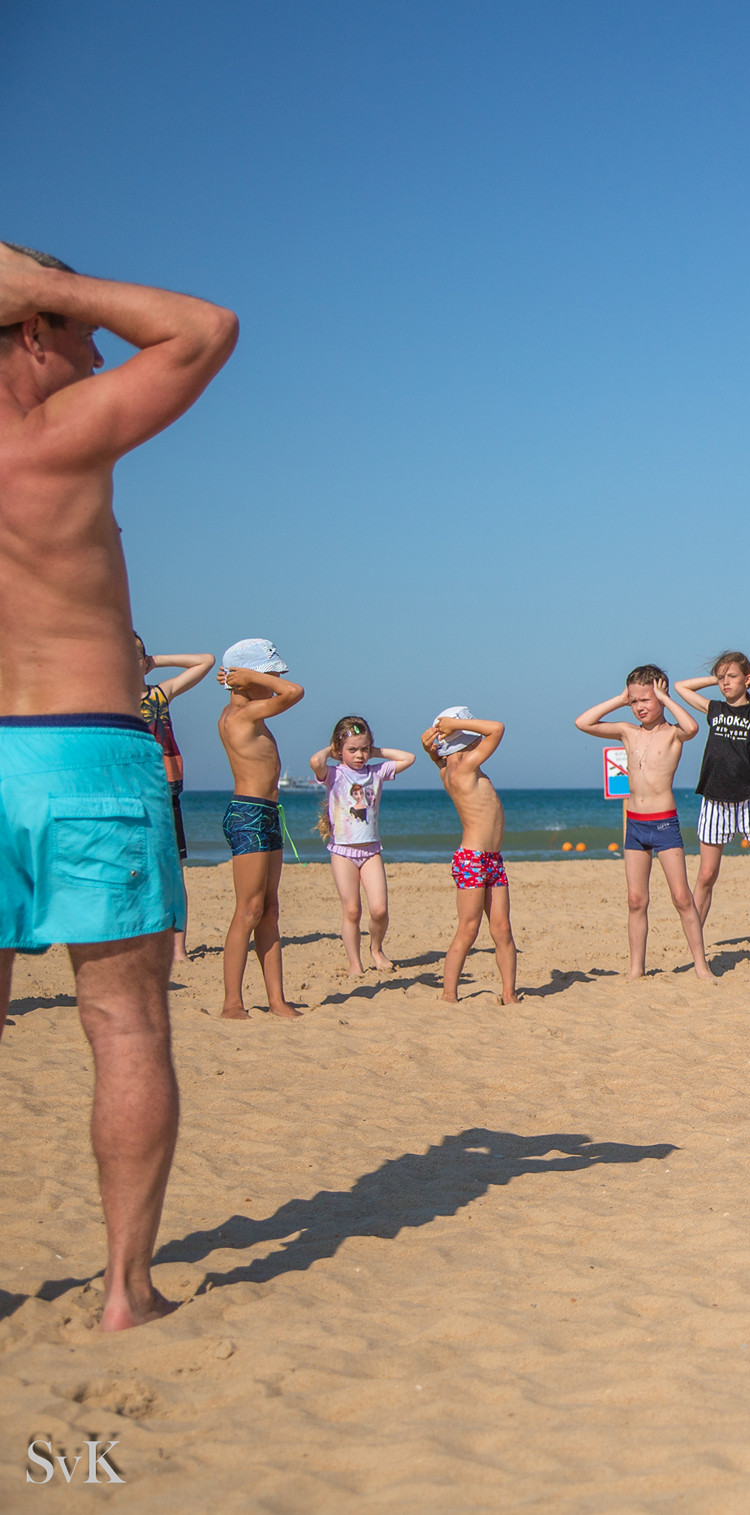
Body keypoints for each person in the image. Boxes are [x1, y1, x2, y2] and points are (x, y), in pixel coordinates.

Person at [1, 241, 236, 1330]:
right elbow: (202, 327)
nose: (102, 348)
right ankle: (124, 1294)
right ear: (35, 333)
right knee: (128, 1026)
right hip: (85, 744)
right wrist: (44, 280)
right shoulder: (55, 436)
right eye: (80, 331)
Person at [575, 667, 713, 982]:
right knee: (636, 899)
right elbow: (583, 722)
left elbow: (692, 727)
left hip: (664, 824)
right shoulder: (627, 731)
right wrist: (620, 699)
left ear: (660, 699)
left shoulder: (673, 733)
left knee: (681, 897)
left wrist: (665, 696)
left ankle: (700, 966)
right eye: (635, 701)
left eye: (646, 699)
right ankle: (636, 968)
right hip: (635, 825)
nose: (640, 706)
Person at [675, 653, 750, 954]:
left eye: (731, 677)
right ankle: (695, 941)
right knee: (706, 875)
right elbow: (681, 687)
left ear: (747, 679)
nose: (724, 683)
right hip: (714, 799)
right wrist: (717, 677)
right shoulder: (714, 709)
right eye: (721, 678)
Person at [214, 640, 304, 1020]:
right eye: (271, 674)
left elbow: (287, 687)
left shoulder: (254, 712)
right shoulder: (240, 717)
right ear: (245, 679)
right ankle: (232, 1002)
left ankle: (276, 1000)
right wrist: (250, 677)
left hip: (269, 813)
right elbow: (295, 692)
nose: (279, 679)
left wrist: (250, 679)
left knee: (269, 910)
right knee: (248, 910)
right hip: (248, 814)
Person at [307, 716, 416, 974]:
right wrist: (332, 750)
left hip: (371, 851)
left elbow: (408, 758)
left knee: (379, 910)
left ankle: (376, 949)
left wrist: (375, 752)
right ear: (339, 750)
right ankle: (355, 964)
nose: (359, 755)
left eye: (364, 749)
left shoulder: (375, 773)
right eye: (352, 749)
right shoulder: (334, 774)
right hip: (343, 852)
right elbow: (315, 762)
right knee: (352, 910)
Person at [424, 707, 517, 1005]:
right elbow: (498, 728)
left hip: (492, 859)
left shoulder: (449, 768)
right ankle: (448, 994)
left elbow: (440, 759)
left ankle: (508, 993)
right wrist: (455, 725)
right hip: (473, 859)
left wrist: (432, 749)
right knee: (468, 928)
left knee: (502, 927)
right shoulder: (464, 766)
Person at [134, 634, 213, 962]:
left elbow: (205, 661)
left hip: (165, 789)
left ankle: (178, 948)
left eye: (135, 654)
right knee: (135, 870)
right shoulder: (109, 700)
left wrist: (155, 660)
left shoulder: (158, 695)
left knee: (172, 871)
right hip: (130, 793)